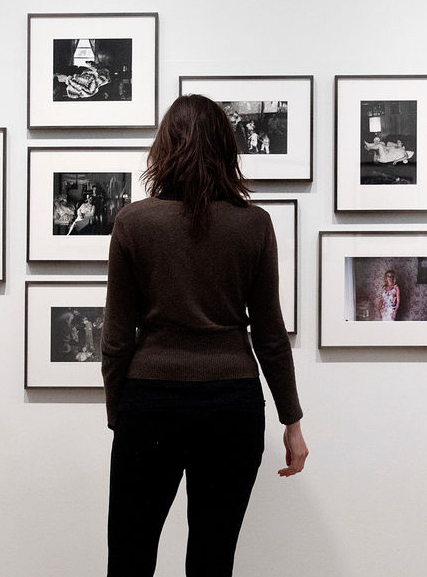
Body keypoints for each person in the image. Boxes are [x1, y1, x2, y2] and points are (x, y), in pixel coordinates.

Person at [102, 94, 307, 577]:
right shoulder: (254, 225)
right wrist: (291, 421)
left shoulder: (134, 222)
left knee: (129, 559)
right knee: (213, 562)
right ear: (225, 147)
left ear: (164, 147)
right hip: (233, 406)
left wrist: (120, 413)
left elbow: (115, 338)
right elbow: (270, 334)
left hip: (149, 404)